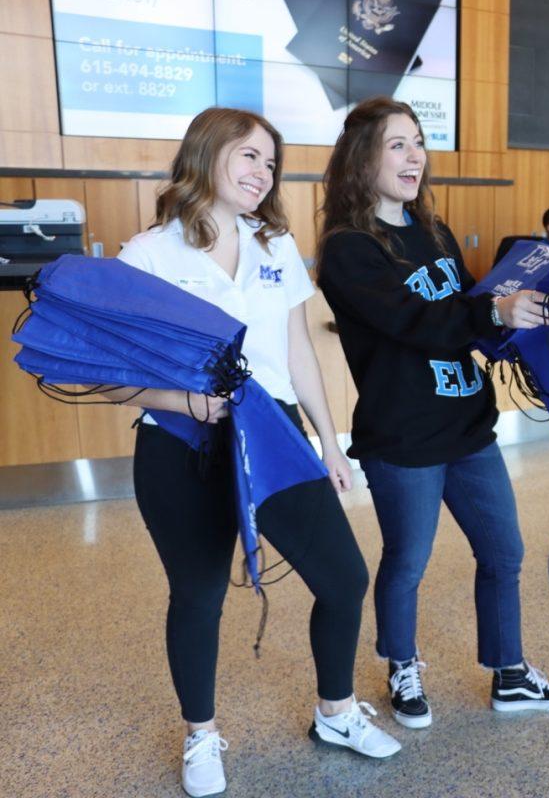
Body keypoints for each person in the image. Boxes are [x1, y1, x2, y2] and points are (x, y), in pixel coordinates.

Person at [112, 107, 401, 797]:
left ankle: (335, 712)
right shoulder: (147, 255)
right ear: (206, 155)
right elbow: (114, 379)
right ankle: (202, 736)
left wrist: (329, 442)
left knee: (343, 577)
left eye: (269, 162)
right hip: (180, 446)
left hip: (273, 437)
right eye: (248, 156)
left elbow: (297, 350)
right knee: (200, 593)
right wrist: (188, 404)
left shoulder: (275, 245)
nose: (261, 172)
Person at [316, 97, 549, 732]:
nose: (416, 157)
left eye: (418, 142)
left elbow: (469, 308)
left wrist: (520, 323)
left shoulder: (433, 231)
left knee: (504, 552)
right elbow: (412, 321)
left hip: (467, 427)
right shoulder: (347, 249)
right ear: (362, 160)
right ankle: (401, 664)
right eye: (398, 145)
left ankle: (510, 674)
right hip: (402, 436)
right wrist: (491, 312)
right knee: (408, 560)